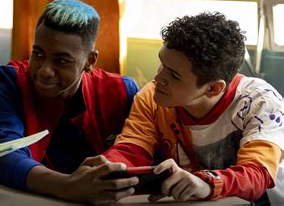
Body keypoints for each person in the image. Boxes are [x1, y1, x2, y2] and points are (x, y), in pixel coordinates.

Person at [103, 12, 284, 204]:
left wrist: (207, 183)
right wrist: (106, 169)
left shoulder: (261, 102)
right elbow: (132, 149)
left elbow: (258, 174)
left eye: (173, 75)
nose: (158, 79)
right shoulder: (152, 97)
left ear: (213, 88)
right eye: (162, 64)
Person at [0, 0, 140, 204]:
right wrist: (68, 187)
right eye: (37, 54)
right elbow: (3, 156)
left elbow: (141, 152)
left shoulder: (121, 91)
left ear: (90, 61)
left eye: (62, 61)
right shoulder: (7, 82)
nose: (45, 70)